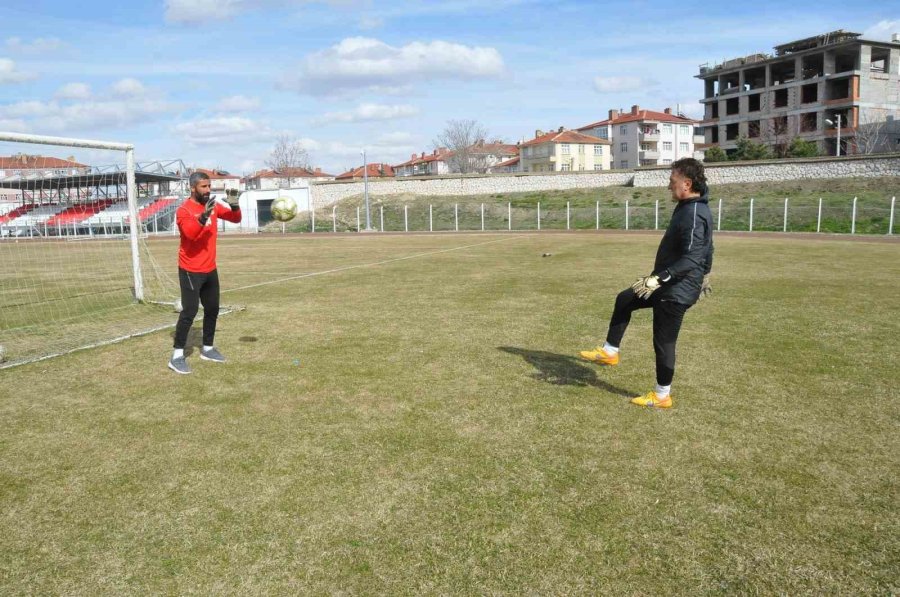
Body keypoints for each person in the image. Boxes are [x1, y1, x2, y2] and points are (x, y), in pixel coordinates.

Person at [579, 158, 714, 408]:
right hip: (666, 282)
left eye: (672, 182)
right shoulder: (691, 207)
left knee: (663, 342)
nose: (668, 186)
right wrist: (704, 275)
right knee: (625, 298)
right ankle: (610, 351)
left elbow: (694, 255)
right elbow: (709, 249)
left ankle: (662, 396)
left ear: (687, 183)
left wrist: (667, 278)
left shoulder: (695, 212)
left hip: (675, 290)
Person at [168, 173, 242, 374]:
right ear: (193, 188)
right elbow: (191, 235)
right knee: (189, 312)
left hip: (210, 268)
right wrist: (203, 216)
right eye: (203, 186)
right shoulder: (183, 210)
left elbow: (236, 219)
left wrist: (234, 205)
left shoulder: (213, 205)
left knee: (212, 309)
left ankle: (207, 348)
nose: (208, 190)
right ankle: (176, 356)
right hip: (190, 270)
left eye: (209, 186)